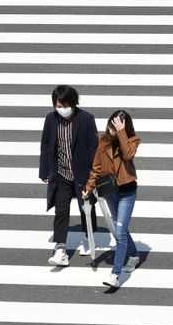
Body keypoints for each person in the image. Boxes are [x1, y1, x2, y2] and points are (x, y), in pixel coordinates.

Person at [39, 85, 99, 266]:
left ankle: (89, 237)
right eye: (58, 105)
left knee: (86, 207)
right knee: (61, 210)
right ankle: (61, 248)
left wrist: (94, 176)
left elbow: (93, 147)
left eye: (65, 105)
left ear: (73, 103)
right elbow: (46, 146)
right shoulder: (51, 119)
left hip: (82, 175)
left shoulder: (86, 119)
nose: (62, 109)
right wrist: (44, 171)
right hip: (61, 174)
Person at [83, 110, 141, 288]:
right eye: (111, 125)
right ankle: (134, 254)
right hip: (109, 191)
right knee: (119, 229)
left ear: (124, 126)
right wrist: (89, 187)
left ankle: (115, 274)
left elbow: (128, 154)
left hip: (127, 192)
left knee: (120, 232)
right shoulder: (104, 141)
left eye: (116, 126)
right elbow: (97, 167)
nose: (112, 129)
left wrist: (122, 133)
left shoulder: (133, 140)